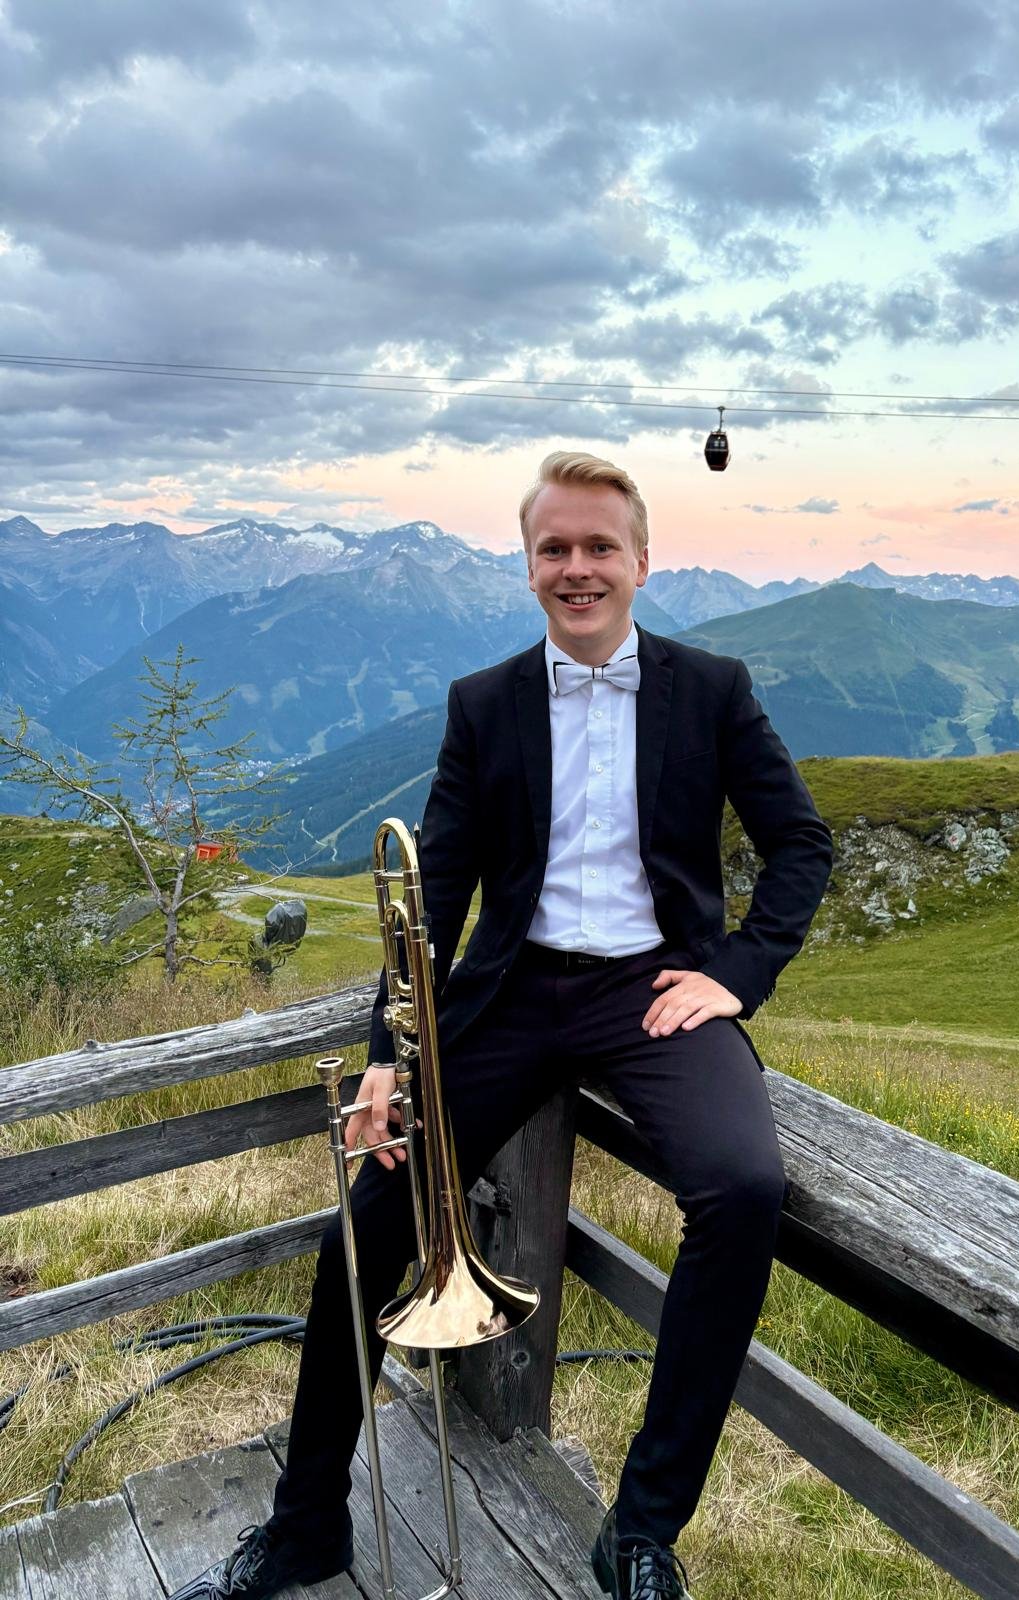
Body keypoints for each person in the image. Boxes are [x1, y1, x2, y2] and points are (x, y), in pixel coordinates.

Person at [170, 451, 833, 1600]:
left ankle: (640, 1528)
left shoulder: (713, 687)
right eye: (554, 549)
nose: (578, 569)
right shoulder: (484, 702)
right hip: (512, 992)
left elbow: (801, 846)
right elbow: (431, 900)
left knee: (742, 1188)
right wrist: (387, 1059)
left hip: (652, 993)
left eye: (598, 547)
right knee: (366, 1217)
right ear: (528, 565)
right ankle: (303, 1529)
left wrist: (735, 974)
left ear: (641, 560)